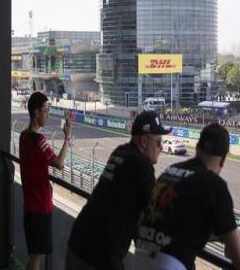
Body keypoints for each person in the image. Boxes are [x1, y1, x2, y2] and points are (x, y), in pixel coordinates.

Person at [134, 123, 240, 270]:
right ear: (223, 160)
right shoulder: (215, 185)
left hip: (138, 259)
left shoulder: (169, 171)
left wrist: (221, 236)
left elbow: (177, 227)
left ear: (197, 148)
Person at [66, 111, 171, 270]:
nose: (161, 148)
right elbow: (159, 211)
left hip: (78, 242)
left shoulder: (120, 151)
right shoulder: (141, 165)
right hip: (98, 256)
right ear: (144, 141)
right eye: (158, 142)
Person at [19, 91, 72, 270]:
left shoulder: (23, 136)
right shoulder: (39, 140)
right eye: (46, 111)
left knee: (34, 256)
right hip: (40, 205)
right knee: (37, 258)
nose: (48, 115)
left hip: (29, 204)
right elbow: (59, 163)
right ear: (36, 112)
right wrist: (67, 138)